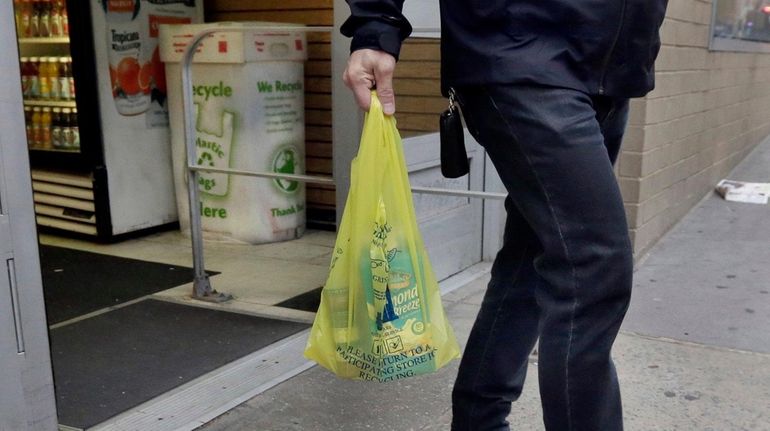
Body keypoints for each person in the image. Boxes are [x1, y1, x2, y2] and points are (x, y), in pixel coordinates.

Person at [340, 0, 668, 430]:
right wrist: (376, 25)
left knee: (532, 256)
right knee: (594, 266)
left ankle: (478, 419)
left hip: (612, 66)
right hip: (518, 45)